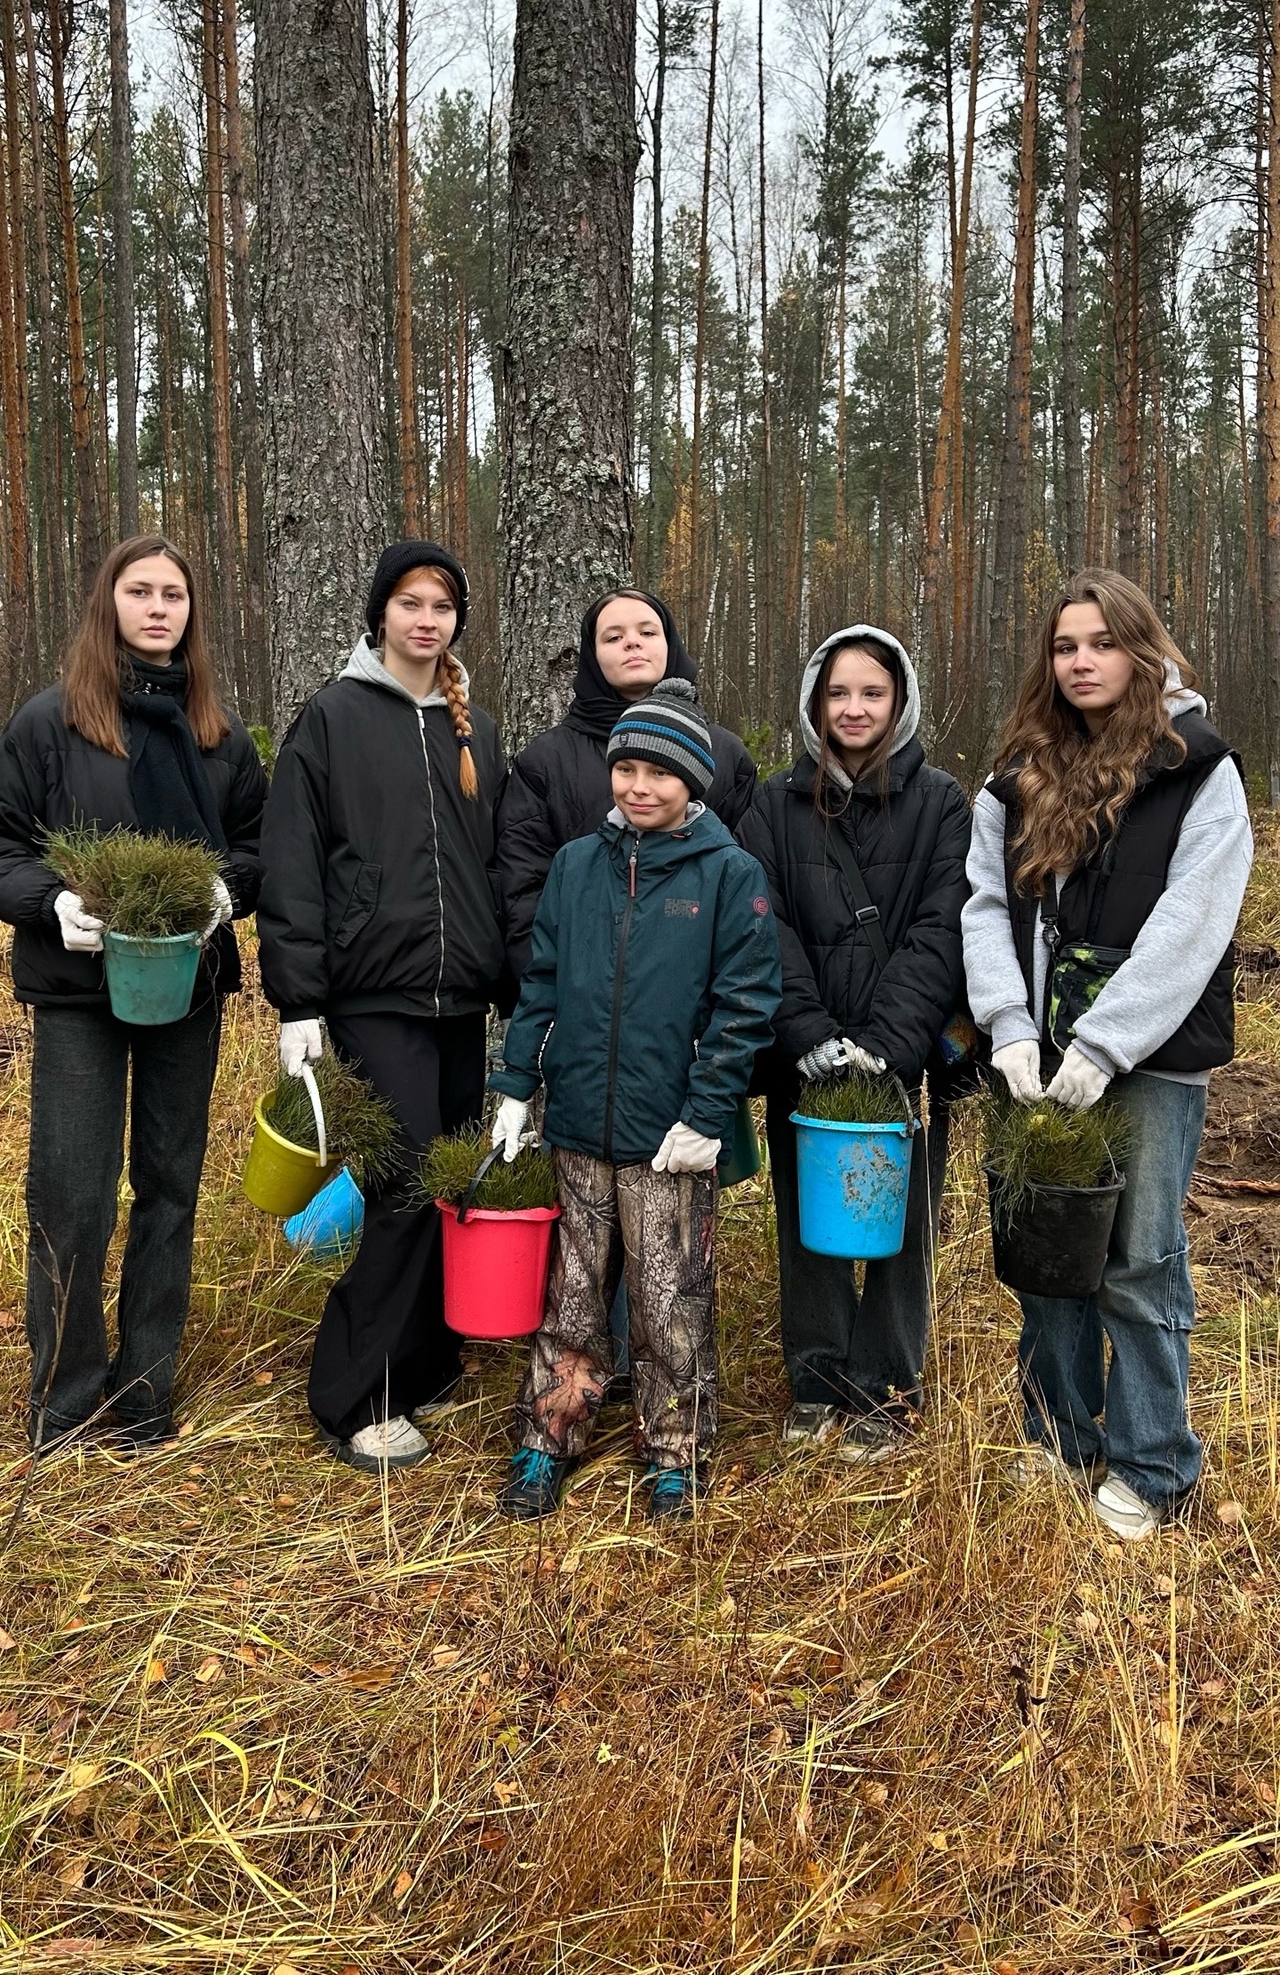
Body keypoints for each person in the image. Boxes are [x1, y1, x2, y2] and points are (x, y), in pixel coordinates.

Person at [962, 569, 1253, 1541]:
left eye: (1098, 641)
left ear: (1140, 648)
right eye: (1062, 645)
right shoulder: (1016, 773)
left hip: (1148, 1060)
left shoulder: (1194, 765)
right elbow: (984, 907)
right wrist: (1007, 1021)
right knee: (1045, 1248)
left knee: (1133, 1256)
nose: (1079, 660)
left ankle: (1152, 1463)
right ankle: (1056, 1433)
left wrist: (1104, 1041)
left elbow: (1193, 920)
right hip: (1035, 1059)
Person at [487, 678, 781, 1523]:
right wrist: (514, 1086)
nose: (640, 786)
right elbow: (540, 984)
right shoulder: (578, 866)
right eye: (627, 769)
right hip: (578, 1127)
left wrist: (708, 1113)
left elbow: (746, 1005)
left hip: (668, 1138)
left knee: (669, 1303)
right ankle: (549, 1438)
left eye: (660, 772)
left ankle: (673, 1454)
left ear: (693, 781)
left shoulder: (730, 876)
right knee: (572, 1296)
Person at [0, 535, 267, 1450]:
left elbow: (257, 844)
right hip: (76, 992)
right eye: (140, 590)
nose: (159, 608)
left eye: (175, 595)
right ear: (107, 602)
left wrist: (231, 890)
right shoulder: (49, 724)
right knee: (72, 1194)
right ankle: (66, 1400)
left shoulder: (218, 736)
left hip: (185, 992)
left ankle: (145, 1387)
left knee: (169, 1186)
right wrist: (53, 901)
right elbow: (3, 848)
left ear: (192, 614)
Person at [256, 541, 506, 1473]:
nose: (426, 619)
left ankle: (424, 1360)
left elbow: (495, 868)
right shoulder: (331, 718)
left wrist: (511, 984)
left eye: (442, 605)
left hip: (460, 1002)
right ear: (380, 615)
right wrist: (299, 999)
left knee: (449, 1182)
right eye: (410, 602)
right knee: (399, 1188)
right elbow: (292, 864)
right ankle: (352, 1394)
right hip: (375, 997)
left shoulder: (468, 728)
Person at [739, 627, 971, 1461]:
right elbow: (762, 922)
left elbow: (944, 928)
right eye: (839, 693)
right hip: (805, 1060)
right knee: (808, 1224)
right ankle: (818, 1379)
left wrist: (886, 1044)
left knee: (904, 1223)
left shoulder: (942, 801)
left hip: (901, 1058)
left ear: (899, 701)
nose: (855, 709)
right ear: (814, 702)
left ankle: (887, 1385)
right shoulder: (773, 803)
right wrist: (806, 1034)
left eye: (872, 693)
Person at [496, 590, 757, 983]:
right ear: (592, 655)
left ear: (670, 646)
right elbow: (523, 892)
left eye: (647, 632)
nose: (631, 642)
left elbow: (747, 889)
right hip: (580, 991)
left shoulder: (725, 755)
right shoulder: (545, 762)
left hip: (694, 994)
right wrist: (553, 993)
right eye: (613, 637)